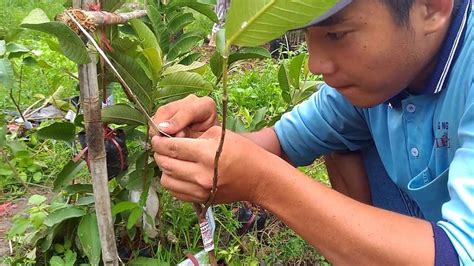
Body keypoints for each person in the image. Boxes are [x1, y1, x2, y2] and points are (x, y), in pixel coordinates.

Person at [151, 0, 473, 264]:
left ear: (431, 7)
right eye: (308, 34)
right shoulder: (378, 80)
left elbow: (461, 255)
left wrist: (263, 182)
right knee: (339, 139)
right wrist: (208, 146)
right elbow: (281, 143)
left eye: (337, 34)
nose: (315, 64)